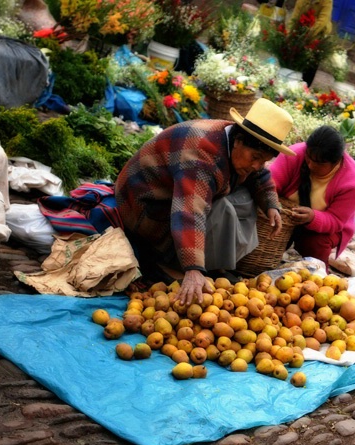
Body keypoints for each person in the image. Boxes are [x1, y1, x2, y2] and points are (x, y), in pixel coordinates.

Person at [115, 98, 295, 306]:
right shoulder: (202, 156)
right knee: (223, 208)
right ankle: (165, 263)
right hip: (144, 208)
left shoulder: (235, 141)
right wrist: (193, 269)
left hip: (174, 199)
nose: (257, 165)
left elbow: (260, 175)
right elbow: (189, 212)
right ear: (239, 140)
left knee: (245, 198)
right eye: (255, 157)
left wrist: (272, 204)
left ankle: (204, 262)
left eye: (262, 160)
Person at [269, 125, 355, 268]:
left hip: (326, 228)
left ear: (336, 161)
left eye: (319, 163)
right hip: (284, 216)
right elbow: (269, 186)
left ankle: (319, 275)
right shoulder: (294, 154)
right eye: (308, 158)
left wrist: (313, 218)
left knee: (315, 243)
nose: (310, 166)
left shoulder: (354, 182)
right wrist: (272, 205)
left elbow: (336, 220)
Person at [288, 0, 333, 86]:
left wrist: (308, 36)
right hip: (301, 33)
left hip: (317, 35)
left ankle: (305, 88)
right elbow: (295, 16)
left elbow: (322, 21)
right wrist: (290, 34)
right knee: (294, 66)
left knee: (309, 69)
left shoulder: (327, 1)